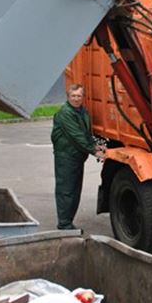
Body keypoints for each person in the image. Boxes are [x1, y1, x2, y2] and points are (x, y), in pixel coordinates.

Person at [51, 84, 104, 229]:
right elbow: (76, 135)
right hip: (66, 156)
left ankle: (68, 222)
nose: (76, 99)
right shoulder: (65, 113)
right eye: (73, 96)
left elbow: (86, 133)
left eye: (79, 96)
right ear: (68, 97)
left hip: (76, 156)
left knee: (75, 190)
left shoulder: (82, 111)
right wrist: (94, 151)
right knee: (66, 190)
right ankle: (64, 224)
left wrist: (95, 144)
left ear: (83, 97)